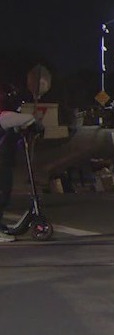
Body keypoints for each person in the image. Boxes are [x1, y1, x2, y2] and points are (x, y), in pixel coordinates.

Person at [0, 84, 39, 243]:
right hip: (1, 162)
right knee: (2, 194)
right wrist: (34, 124)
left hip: (4, 161)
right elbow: (28, 118)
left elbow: (14, 129)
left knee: (4, 193)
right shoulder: (4, 116)